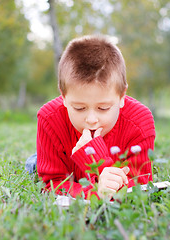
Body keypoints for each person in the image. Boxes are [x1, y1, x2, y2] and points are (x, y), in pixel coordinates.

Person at [32, 34, 155, 200]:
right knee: (34, 164)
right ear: (64, 97)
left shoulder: (140, 122)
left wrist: (97, 159)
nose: (91, 119)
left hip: (88, 170)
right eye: (79, 108)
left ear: (121, 97)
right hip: (61, 161)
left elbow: (139, 186)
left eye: (103, 108)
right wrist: (95, 193)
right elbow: (51, 182)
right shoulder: (49, 118)